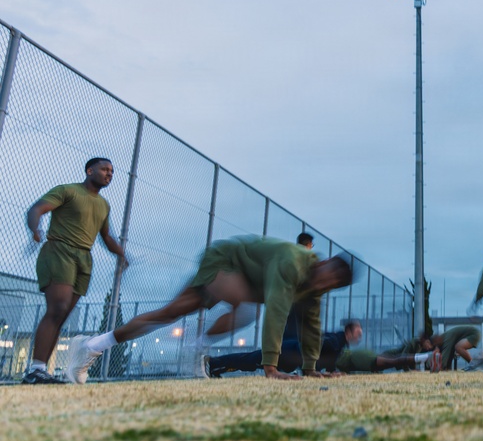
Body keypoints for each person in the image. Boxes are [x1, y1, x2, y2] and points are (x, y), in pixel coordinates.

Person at [67, 235, 354, 383]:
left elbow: (312, 325)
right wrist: (271, 367)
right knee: (247, 310)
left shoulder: (315, 287)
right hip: (225, 259)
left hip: (246, 277)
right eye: (328, 275)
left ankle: (92, 345)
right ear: (324, 263)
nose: (325, 282)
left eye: (333, 284)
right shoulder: (293, 261)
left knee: (169, 314)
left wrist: (311, 368)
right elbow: (276, 311)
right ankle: (196, 348)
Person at [22, 158, 127, 384]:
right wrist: (35, 229)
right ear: (90, 170)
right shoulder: (68, 190)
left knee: (61, 316)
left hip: (84, 259)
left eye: (112, 171)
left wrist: (122, 255)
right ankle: (34, 370)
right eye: (104, 169)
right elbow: (37, 209)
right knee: (57, 308)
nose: (109, 174)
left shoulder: (104, 204)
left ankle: (41, 371)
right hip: (59, 250)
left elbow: (107, 236)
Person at [208, 318, 363, 376]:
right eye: (358, 333)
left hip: (290, 354)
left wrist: (332, 371)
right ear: (348, 332)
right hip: (288, 352)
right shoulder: (336, 341)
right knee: (250, 360)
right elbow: (316, 344)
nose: (360, 337)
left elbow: (327, 360)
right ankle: (213, 363)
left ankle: (216, 367)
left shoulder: (338, 343)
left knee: (250, 361)